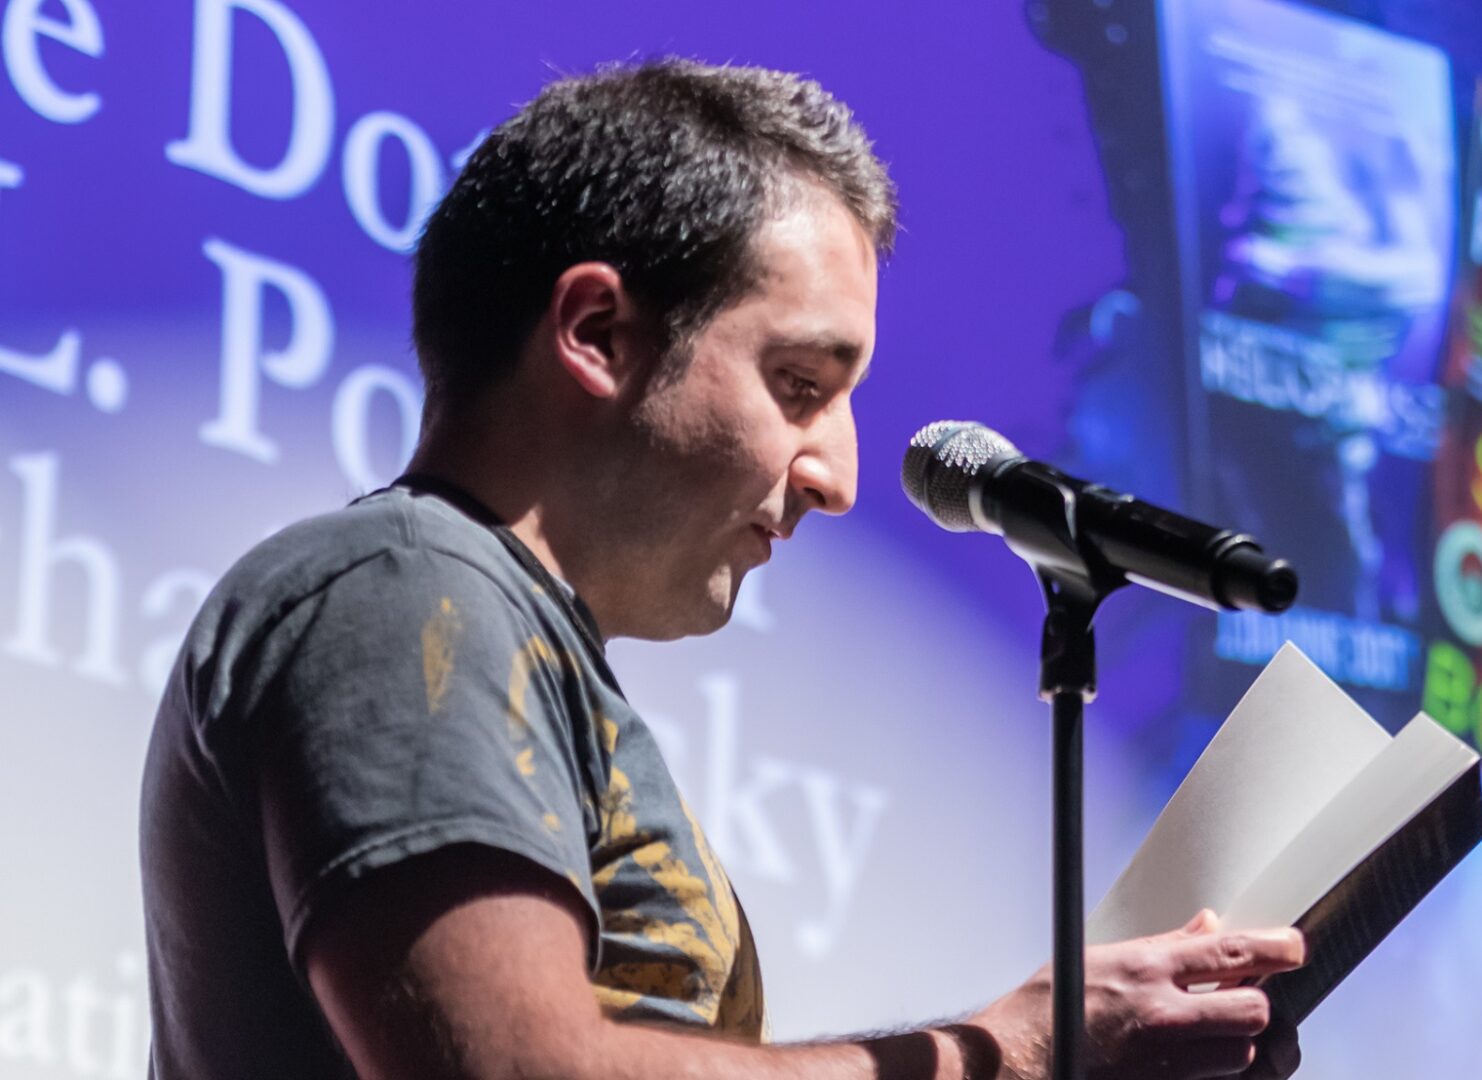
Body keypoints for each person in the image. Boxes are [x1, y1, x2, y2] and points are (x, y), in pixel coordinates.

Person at [140, 59, 1306, 1079]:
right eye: (799, 385)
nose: (838, 476)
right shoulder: (399, 586)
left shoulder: (494, 627)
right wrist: (1005, 1053)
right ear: (596, 334)